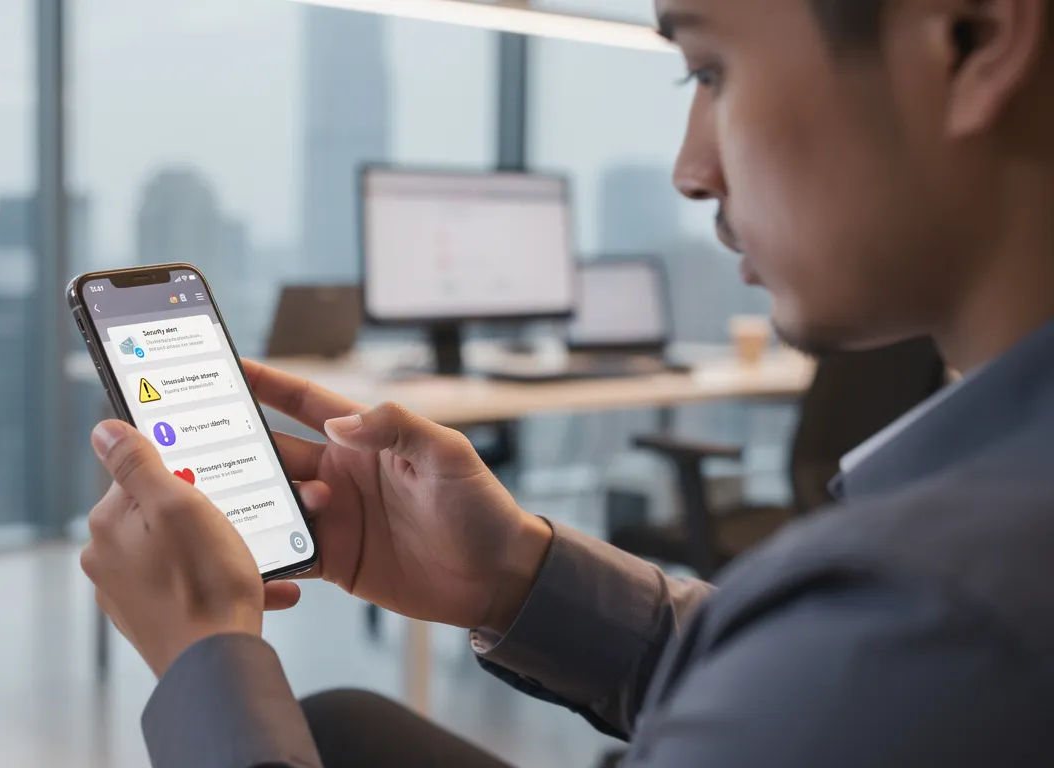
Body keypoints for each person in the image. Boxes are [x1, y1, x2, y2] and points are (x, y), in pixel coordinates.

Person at [79, 0, 1054, 765]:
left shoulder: (938, 615)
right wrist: (512, 574)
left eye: (712, 68)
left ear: (971, 39)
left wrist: (207, 662)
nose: (690, 168)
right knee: (340, 731)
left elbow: (859, 671)